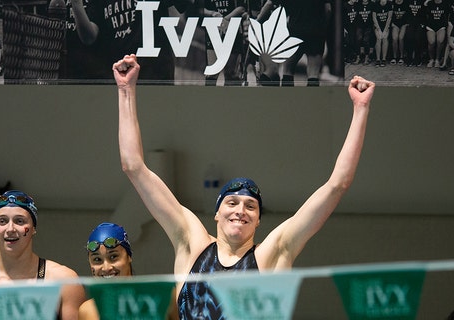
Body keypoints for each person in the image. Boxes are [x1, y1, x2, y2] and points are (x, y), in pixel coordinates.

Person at [113, 53, 375, 319]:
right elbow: (133, 167)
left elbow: (337, 185)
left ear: (259, 220)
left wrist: (361, 109)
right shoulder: (191, 243)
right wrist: (126, 90)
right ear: (216, 213)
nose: (241, 210)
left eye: (251, 206)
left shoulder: (272, 255)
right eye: (232, 202)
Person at [0, 190, 86, 320]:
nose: (10, 229)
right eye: (2, 221)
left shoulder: (64, 280)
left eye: (19, 221)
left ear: (33, 229)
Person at [79, 222, 135, 320]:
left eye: (113, 257)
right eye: (97, 260)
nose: (106, 268)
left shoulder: (154, 302)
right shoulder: (87, 311)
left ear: (129, 257)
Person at [372, 0, 393, 67]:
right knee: (378, 38)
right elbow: (374, 18)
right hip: (377, 25)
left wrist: (385, 30)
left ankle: (384, 59)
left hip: (386, 26)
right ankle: (378, 59)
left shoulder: (389, 4)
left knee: (385, 38)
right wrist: (379, 29)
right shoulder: (376, 4)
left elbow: (389, 18)